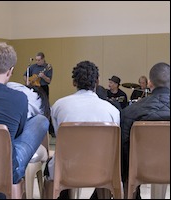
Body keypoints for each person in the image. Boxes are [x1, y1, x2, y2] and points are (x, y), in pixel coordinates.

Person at [0, 42, 49, 199]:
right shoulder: (19, 98)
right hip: (5, 169)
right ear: (10, 71)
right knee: (40, 120)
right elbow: (17, 134)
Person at [44, 60, 120, 198]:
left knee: (56, 161)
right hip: (103, 170)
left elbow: (58, 135)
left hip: (66, 170)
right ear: (97, 81)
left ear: (74, 82)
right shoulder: (112, 110)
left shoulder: (59, 106)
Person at [121, 62, 170, 198]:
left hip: (141, 169)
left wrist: (126, 176)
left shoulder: (130, 111)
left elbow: (124, 147)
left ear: (149, 83)